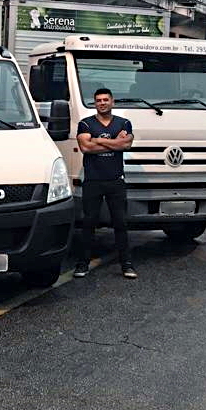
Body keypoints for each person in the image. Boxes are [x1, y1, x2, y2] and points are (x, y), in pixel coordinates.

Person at [73, 87, 136, 280]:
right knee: (89, 223)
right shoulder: (85, 124)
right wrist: (114, 143)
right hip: (93, 181)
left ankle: (127, 265)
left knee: (121, 223)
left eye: (105, 100)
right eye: (98, 100)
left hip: (116, 181)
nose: (102, 103)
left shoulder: (124, 123)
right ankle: (82, 264)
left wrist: (98, 140)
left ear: (112, 102)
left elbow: (126, 144)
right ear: (95, 103)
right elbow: (85, 147)